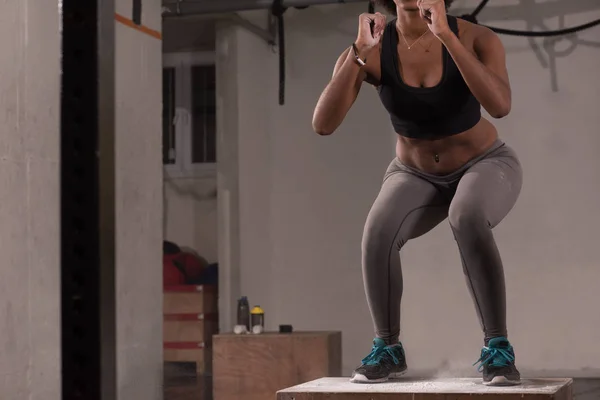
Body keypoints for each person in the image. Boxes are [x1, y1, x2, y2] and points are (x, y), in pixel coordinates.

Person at [312, 0, 522, 387]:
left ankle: (498, 348)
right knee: (377, 234)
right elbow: (323, 124)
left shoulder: (477, 38)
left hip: (485, 164)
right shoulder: (371, 47)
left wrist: (446, 35)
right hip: (414, 173)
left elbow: (500, 105)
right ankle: (388, 348)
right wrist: (359, 54)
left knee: (467, 216)